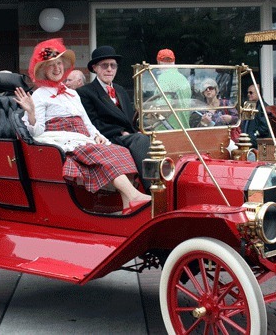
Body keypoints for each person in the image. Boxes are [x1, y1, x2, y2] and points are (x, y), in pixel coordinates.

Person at [14, 38, 150, 214]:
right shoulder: (39, 95)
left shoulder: (72, 93)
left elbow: (86, 122)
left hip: (82, 136)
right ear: (44, 70)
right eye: (51, 65)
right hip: (60, 137)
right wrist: (31, 113)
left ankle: (127, 206)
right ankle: (134, 195)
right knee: (101, 153)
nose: (56, 69)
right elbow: (37, 131)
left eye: (59, 64)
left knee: (120, 151)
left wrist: (97, 135)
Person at [77, 46, 152, 191]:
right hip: (108, 138)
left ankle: (168, 182)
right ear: (95, 68)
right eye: (105, 66)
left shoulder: (121, 90)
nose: (109, 69)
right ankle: (152, 189)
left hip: (128, 136)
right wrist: (121, 132)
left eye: (113, 66)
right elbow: (93, 122)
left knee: (155, 137)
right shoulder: (85, 92)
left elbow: (129, 119)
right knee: (140, 140)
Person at [155, 48, 192, 129]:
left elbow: (163, 109)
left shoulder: (164, 78)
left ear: (158, 62)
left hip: (167, 131)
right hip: (184, 129)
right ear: (174, 62)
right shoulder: (183, 78)